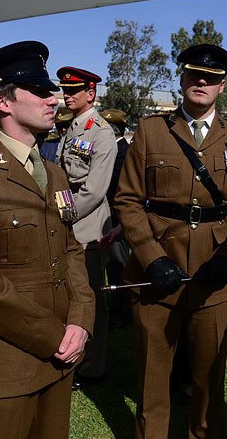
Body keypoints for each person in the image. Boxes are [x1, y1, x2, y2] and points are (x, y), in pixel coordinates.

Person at [0, 41, 95, 439]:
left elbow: (72, 251)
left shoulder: (54, 172)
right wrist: (53, 335)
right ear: (4, 104)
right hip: (4, 358)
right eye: (40, 91)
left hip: (62, 354)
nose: (54, 97)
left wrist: (80, 321)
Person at [114, 44, 227, 438]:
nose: (202, 82)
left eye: (211, 78)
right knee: (152, 376)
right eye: (195, 74)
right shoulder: (151, 129)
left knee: (209, 378)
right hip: (156, 270)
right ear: (181, 78)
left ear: (222, 87)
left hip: (213, 273)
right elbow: (127, 200)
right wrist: (150, 257)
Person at [55, 66, 117, 390]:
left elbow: (93, 189)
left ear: (90, 93)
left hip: (87, 224)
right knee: (72, 295)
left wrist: (62, 216)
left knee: (91, 297)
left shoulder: (101, 131)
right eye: (65, 89)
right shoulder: (73, 127)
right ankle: (76, 354)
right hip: (70, 219)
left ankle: (93, 367)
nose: (67, 95)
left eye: (74, 90)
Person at [98, 108, 132, 328]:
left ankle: (123, 312)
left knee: (118, 265)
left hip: (117, 217)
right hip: (112, 215)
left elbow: (121, 190)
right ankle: (119, 307)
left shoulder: (122, 153)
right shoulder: (114, 150)